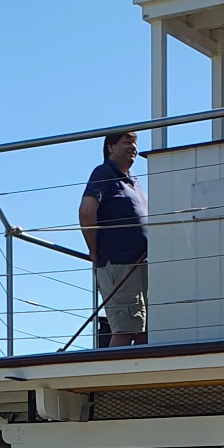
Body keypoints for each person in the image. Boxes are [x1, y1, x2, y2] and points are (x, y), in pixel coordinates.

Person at [78, 131, 149, 347]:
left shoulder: (133, 180)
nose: (133, 146)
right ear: (110, 147)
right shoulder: (103, 173)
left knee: (146, 329)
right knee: (126, 328)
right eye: (127, 141)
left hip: (141, 266)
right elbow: (86, 212)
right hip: (120, 265)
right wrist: (93, 251)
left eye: (135, 142)